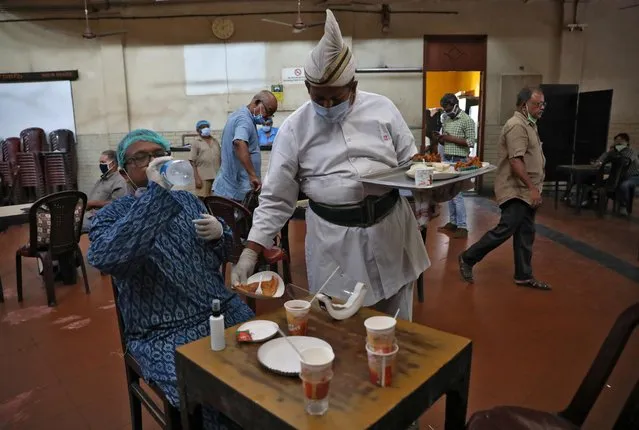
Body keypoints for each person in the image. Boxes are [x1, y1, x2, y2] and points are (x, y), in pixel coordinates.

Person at [231, 10, 429, 324]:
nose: (326, 106)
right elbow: (277, 197)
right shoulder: (296, 128)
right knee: (341, 329)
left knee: (395, 328)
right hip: (335, 242)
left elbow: (413, 165)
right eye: (317, 97)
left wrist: (433, 192)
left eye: (335, 98)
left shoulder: (383, 109)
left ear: (353, 86)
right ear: (308, 89)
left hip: (391, 230)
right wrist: (251, 251)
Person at [88, 129, 252, 429]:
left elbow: (221, 256)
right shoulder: (112, 215)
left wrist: (221, 236)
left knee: (266, 365)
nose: (153, 161)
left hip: (222, 313)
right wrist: (157, 195)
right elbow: (107, 258)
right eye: (142, 157)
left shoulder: (189, 203)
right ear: (125, 172)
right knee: (213, 395)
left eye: (158, 154)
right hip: (164, 333)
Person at [458, 87, 551, 291]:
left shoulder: (529, 125)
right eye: (537, 104)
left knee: (526, 232)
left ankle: (524, 276)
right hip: (517, 190)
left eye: (543, 104)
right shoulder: (516, 125)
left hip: (526, 190)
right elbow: (516, 160)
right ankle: (467, 258)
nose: (541, 108)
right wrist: (532, 188)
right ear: (523, 105)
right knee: (505, 229)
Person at [213, 91, 278, 202]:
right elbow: (239, 142)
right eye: (268, 111)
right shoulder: (244, 120)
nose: (267, 117)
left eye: (271, 114)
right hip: (233, 193)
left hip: (229, 190)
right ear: (257, 102)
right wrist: (252, 175)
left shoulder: (238, 115)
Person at [435, 94, 476, 238]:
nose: (447, 112)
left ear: (456, 105)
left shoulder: (467, 120)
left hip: (460, 160)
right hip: (447, 159)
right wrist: (441, 139)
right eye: (444, 110)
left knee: (457, 194)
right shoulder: (445, 118)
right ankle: (453, 222)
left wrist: (449, 138)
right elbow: (445, 140)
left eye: (448, 109)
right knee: (449, 193)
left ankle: (462, 227)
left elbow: (471, 142)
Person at [81, 149, 128, 233]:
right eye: (100, 162)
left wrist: (93, 203)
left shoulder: (119, 181)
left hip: (101, 218)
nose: (100, 165)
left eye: (103, 162)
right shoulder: (102, 180)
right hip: (89, 215)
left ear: (113, 164)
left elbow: (119, 204)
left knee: (71, 226)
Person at [595, 133, 639, 215]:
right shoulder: (612, 151)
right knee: (602, 184)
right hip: (618, 176)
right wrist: (600, 161)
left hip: (633, 176)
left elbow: (624, 163)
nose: (618, 143)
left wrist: (614, 156)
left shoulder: (631, 152)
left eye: (621, 141)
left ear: (627, 142)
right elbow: (600, 160)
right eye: (616, 141)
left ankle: (623, 205)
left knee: (623, 185)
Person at [190, 120, 221, 198]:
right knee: (203, 198)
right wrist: (197, 178)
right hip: (203, 176)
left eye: (207, 127)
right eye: (202, 127)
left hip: (217, 176)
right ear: (198, 130)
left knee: (215, 199)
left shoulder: (215, 141)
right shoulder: (196, 142)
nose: (205, 128)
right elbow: (192, 161)